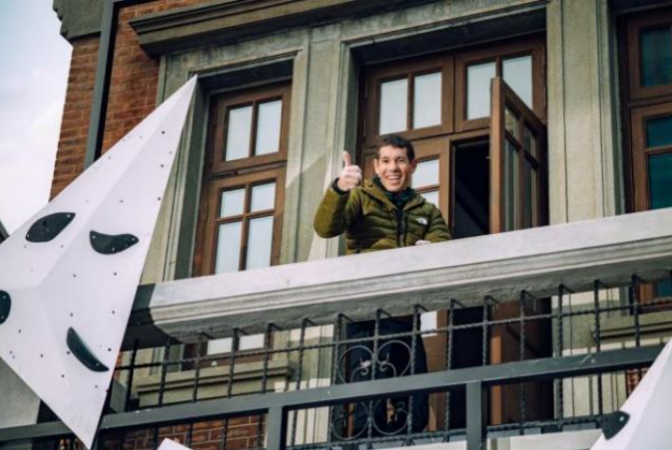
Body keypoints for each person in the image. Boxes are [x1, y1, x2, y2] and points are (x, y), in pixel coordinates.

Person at [314, 134, 450, 437]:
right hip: (366, 315)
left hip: (405, 316)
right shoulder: (360, 197)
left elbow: (443, 244)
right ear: (376, 166)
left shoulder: (426, 211)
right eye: (386, 161)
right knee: (369, 403)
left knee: (414, 404)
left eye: (400, 160)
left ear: (413, 165)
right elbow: (325, 227)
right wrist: (339, 189)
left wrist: (433, 250)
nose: (393, 168)